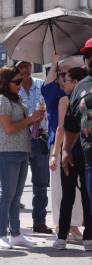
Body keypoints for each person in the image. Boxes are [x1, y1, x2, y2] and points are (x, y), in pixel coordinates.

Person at [0, 66, 44, 249]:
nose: (20, 85)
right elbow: (9, 128)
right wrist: (30, 119)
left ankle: (16, 233)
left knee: (16, 196)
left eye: (21, 81)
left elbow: (20, 125)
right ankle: (1, 235)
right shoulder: (0, 99)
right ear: (6, 82)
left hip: (21, 151)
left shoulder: (16, 98)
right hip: (6, 152)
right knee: (7, 194)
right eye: (17, 81)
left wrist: (35, 118)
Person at [43, 54, 83, 241]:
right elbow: (60, 127)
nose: (64, 77)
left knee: (75, 190)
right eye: (62, 74)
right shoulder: (55, 94)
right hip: (59, 146)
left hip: (76, 145)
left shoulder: (77, 94)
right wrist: (54, 64)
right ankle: (63, 225)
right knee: (60, 188)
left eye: (67, 75)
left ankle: (73, 224)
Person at [53, 66, 92, 250]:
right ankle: (63, 235)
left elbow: (63, 129)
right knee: (69, 195)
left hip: (83, 154)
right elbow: (64, 128)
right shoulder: (67, 100)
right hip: (72, 154)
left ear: (76, 83)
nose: (63, 83)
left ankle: (87, 236)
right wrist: (59, 153)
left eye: (66, 80)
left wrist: (60, 152)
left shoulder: (78, 98)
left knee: (85, 195)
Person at [62, 38, 92, 252]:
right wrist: (64, 150)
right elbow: (71, 124)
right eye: (88, 55)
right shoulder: (81, 86)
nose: (90, 58)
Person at [16, 61, 52, 234]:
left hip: (39, 139)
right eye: (20, 67)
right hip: (20, 140)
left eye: (27, 66)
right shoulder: (13, 89)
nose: (24, 69)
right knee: (15, 185)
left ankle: (39, 221)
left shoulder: (41, 85)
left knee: (40, 183)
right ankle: (13, 224)